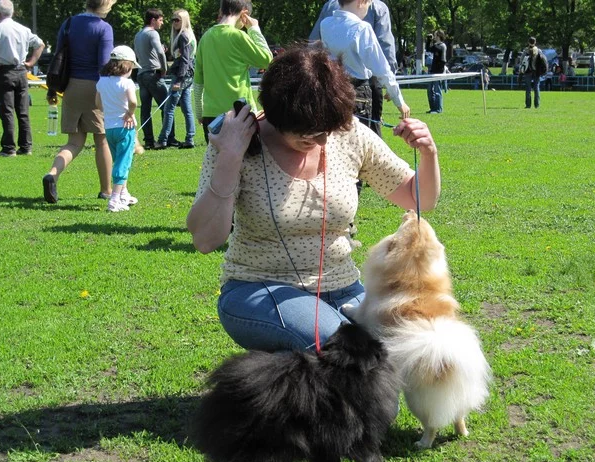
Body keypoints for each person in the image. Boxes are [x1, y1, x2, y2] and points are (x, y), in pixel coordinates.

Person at [187, 45, 441, 352]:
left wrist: (428, 153)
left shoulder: (348, 134)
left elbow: (419, 199)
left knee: (404, 342)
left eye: (328, 130)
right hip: (258, 288)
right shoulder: (238, 143)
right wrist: (230, 157)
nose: (322, 140)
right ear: (278, 117)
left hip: (343, 287)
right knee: (343, 349)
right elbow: (206, 240)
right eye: (308, 133)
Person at [42, 0, 116, 204]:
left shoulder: (68, 23)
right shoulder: (104, 28)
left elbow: (58, 57)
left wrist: (52, 89)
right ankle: (106, 190)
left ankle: (52, 174)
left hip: (71, 87)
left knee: (74, 142)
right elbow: (104, 64)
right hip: (95, 87)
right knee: (102, 139)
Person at [309, 0, 396, 139]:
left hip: (333, 82)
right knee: (370, 132)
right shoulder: (378, 7)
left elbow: (313, 43)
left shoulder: (330, 5)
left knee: (335, 132)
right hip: (366, 83)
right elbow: (385, 43)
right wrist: (391, 83)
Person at [194, 0, 272, 145]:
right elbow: (267, 60)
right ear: (245, 14)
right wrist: (254, 29)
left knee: (218, 158)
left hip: (211, 115)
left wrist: (200, 112)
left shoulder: (205, 37)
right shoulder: (238, 36)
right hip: (240, 113)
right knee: (248, 158)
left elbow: (198, 81)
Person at [0, 0, 45, 157]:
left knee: (7, 111)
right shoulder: (23, 29)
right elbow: (40, 44)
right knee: (23, 111)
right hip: (22, 71)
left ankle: (9, 147)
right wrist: (31, 62)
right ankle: (26, 147)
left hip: (4, 72)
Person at [95, 46, 140, 212]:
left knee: (118, 160)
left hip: (109, 128)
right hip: (125, 128)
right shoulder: (127, 83)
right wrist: (129, 114)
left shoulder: (102, 81)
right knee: (123, 162)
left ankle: (123, 194)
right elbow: (133, 102)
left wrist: (110, 111)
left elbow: (98, 103)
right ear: (126, 66)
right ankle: (114, 200)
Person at [134, 8, 178, 150]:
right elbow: (160, 52)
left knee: (145, 110)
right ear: (153, 20)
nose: (162, 23)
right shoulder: (153, 33)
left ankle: (148, 141)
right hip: (153, 74)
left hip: (141, 74)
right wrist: (164, 69)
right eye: (160, 20)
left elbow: (140, 54)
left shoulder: (138, 34)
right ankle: (169, 138)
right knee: (167, 107)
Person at [155, 9, 196, 149]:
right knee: (186, 108)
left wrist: (179, 80)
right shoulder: (186, 35)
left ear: (184, 21)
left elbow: (185, 60)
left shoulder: (183, 36)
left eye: (177, 20)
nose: (174, 22)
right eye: (173, 19)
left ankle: (163, 140)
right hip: (187, 75)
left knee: (169, 108)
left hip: (182, 75)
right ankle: (190, 138)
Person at [426, 30, 447, 114]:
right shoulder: (436, 46)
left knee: (437, 90)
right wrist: (428, 40)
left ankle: (438, 109)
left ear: (439, 36)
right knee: (430, 90)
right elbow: (428, 49)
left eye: (435, 35)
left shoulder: (442, 46)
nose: (434, 37)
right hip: (433, 71)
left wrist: (432, 42)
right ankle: (433, 108)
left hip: (438, 71)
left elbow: (442, 59)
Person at [519, 37, 541, 109]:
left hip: (528, 71)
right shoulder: (538, 51)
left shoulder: (526, 51)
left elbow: (521, 61)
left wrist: (521, 70)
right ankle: (537, 104)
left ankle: (528, 105)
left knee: (528, 88)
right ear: (535, 42)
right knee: (536, 87)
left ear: (528, 42)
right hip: (536, 71)